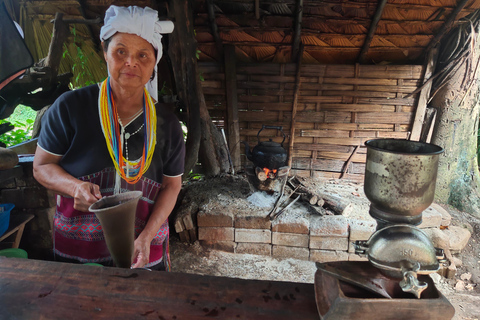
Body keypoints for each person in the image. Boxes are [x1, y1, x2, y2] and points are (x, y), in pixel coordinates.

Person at [33, 5, 185, 271]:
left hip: (145, 249)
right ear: (105, 53)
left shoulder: (168, 124)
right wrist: (74, 187)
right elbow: (41, 166)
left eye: (143, 55)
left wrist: (147, 236)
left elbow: (171, 186)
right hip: (79, 251)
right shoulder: (70, 107)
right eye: (121, 51)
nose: (131, 62)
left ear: (154, 62)